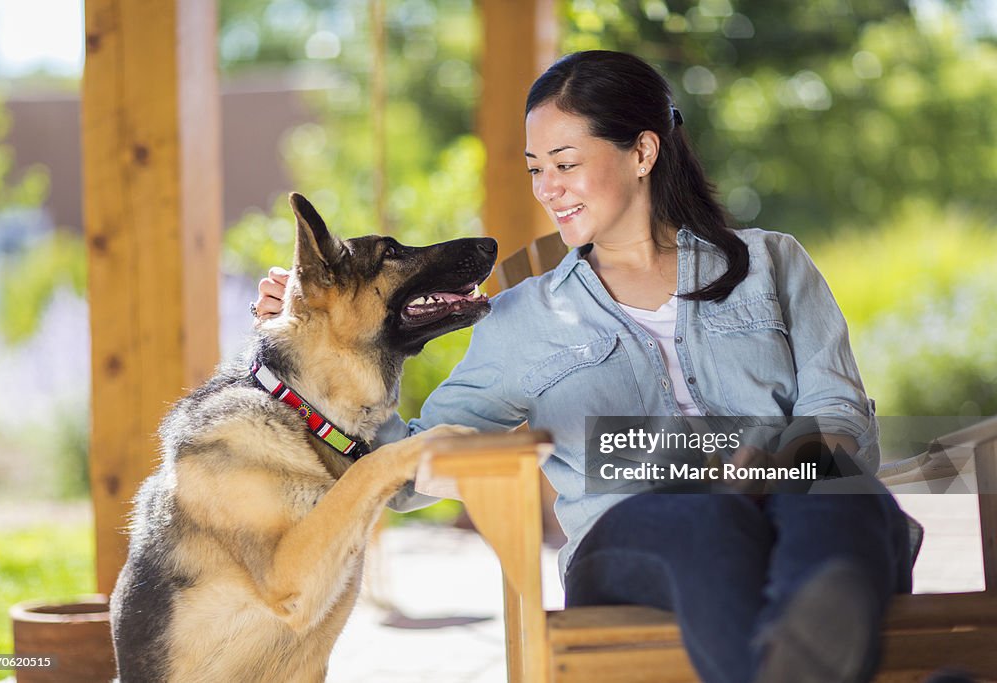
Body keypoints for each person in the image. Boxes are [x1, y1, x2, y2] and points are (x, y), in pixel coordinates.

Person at [253, 50, 911, 683]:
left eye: (565, 163)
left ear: (643, 152)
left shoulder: (772, 264)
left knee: (839, 488)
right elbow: (402, 474)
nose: (548, 189)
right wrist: (317, 338)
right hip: (641, 543)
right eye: (536, 168)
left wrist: (777, 466)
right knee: (706, 517)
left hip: (794, 520)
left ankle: (802, 648)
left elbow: (839, 416)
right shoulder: (524, 319)